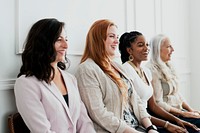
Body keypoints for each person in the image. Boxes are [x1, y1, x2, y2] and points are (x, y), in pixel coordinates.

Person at [75, 19, 158, 133]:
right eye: (111, 36)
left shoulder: (117, 66)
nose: (116, 41)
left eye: (117, 37)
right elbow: (98, 113)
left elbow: (135, 99)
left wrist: (150, 127)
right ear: (98, 39)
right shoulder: (86, 70)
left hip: (138, 127)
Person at [14, 18, 96, 133]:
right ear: (43, 43)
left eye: (66, 39)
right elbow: (42, 131)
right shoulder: (26, 84)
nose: (66, 45)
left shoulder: (71, 79)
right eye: (59, 40)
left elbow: (84, 122)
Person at [118, 31, 200, 133]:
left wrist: (177, 120)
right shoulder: (126, 70)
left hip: (148, 117)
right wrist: (167, 124)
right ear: (129, 50)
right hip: (139, 121)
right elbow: (137, 110)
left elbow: (153, 106)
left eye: (147, 44)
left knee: (192, 128)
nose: (146, 48)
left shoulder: (146, 72)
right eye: (140, 45)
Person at [146, 34, 200, 128]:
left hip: (179, 112)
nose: (173, 49)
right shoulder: (151, 70)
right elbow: (158, 103)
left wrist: (191, 110)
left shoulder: (169, 66)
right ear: (158, 49)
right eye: (168, 46)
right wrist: (183, 114)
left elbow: (177, 94)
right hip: (167, 116)